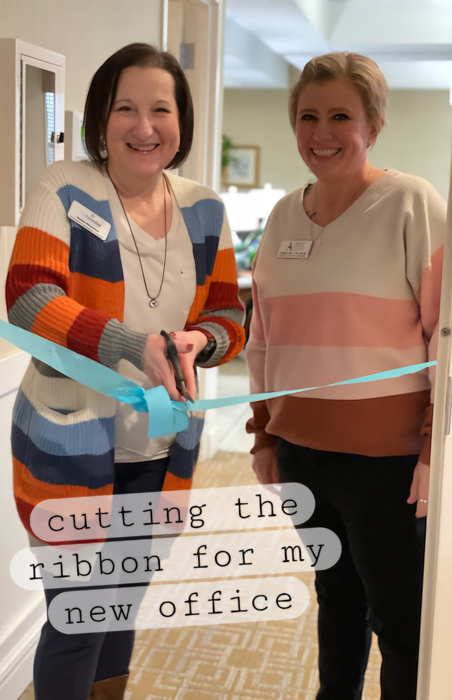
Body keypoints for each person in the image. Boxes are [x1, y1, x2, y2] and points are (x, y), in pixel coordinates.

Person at [6, 43, 245, 700]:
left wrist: (199, 340)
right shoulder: (65, 186)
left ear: (181, 120)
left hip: (160, 446)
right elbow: (29, 300)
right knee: (79, 617)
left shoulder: (204, 209)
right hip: (70, 444)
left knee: (121, 604)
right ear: (101, 119)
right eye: (126, 109)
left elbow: (229, 315)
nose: (144, 127)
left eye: (160, 109)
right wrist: (131, 344)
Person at [246, 52, 445, 700]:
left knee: (401, 624)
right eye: (308, 116)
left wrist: (433, 448)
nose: (321, 132)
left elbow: (447, 339)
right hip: (304, 456)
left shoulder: (412, 204)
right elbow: (263, 343)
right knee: (336, 597)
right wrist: (265, 436)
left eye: (340, 115)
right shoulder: (280, 218)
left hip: (388, 465)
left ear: (374, 124)